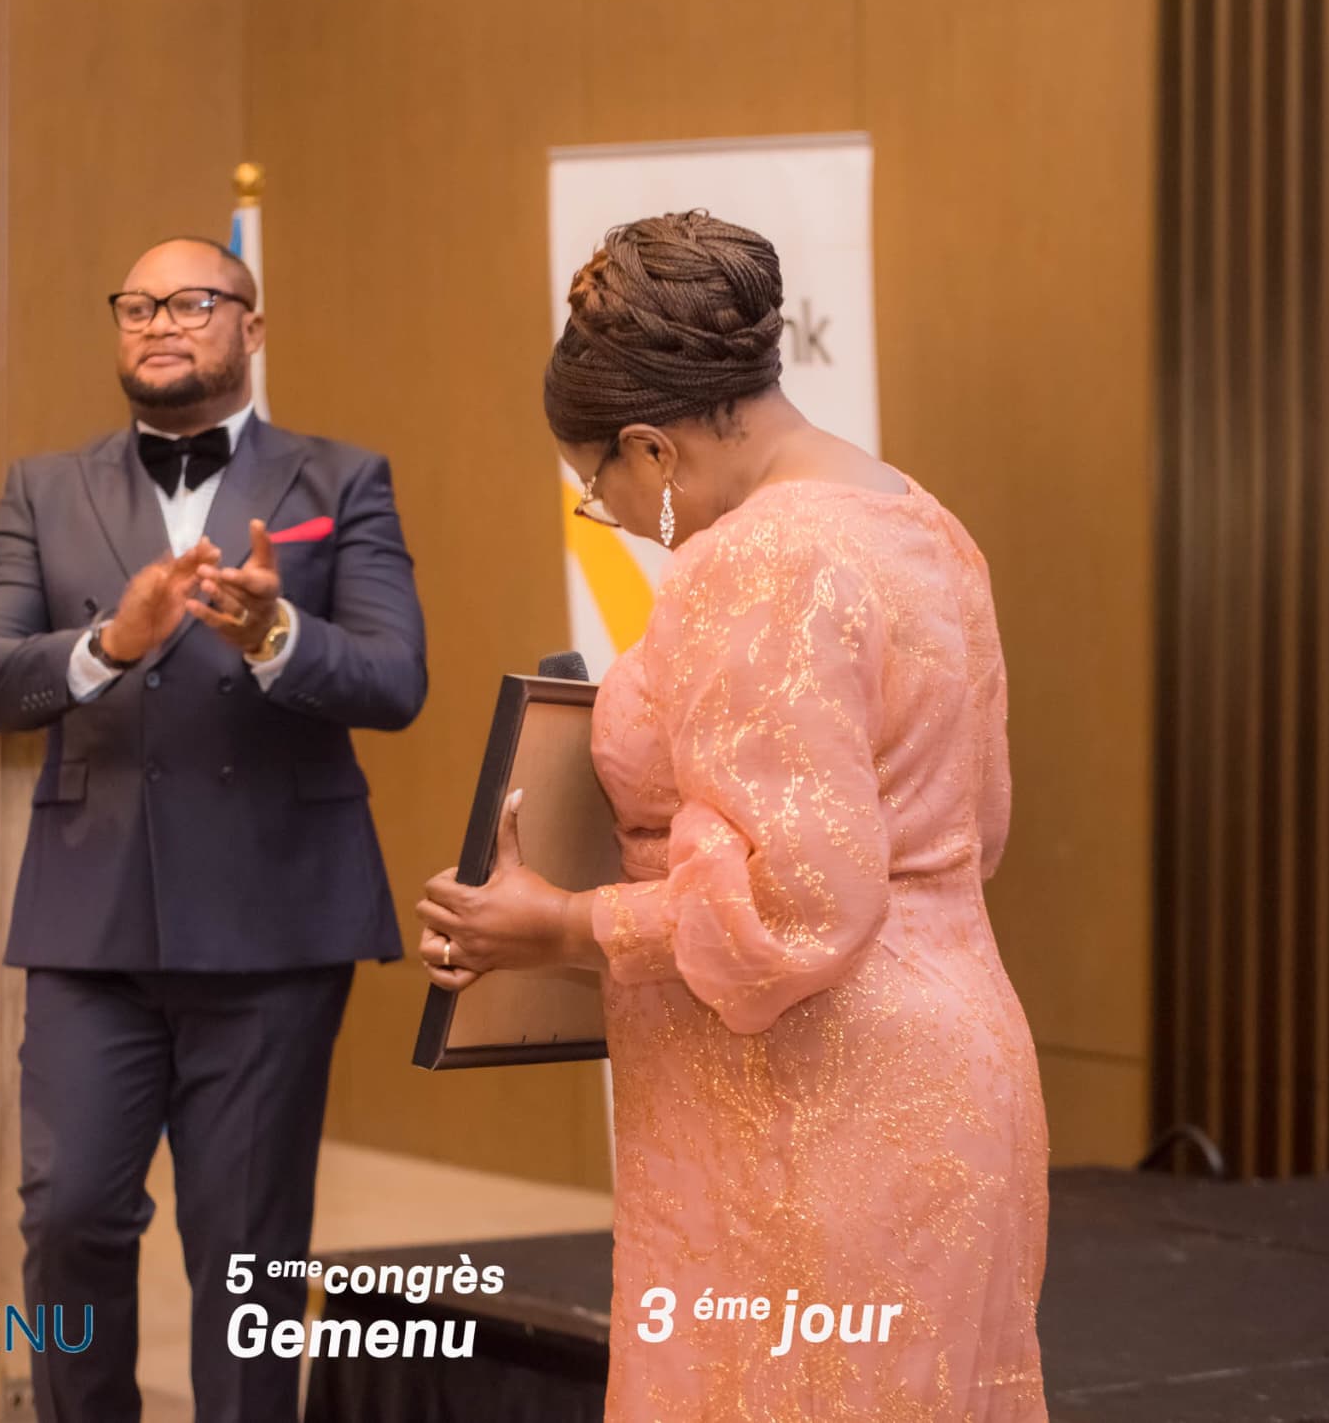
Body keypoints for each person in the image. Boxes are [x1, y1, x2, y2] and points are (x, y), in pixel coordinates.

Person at [417, 213, 1049, 1422]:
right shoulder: (920, 521)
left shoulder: (750, 561)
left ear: (650, 448)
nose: (611, 513)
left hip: (811, 1103)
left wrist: (559, 923)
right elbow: (980, 820)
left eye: (598, 486)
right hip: (951, 1061)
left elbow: (790, 905)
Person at [0, 237, 426, 1422]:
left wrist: (273, 634)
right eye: (137, 305)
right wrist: (108, 644)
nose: (159, 321)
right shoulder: (42, 489)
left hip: (273, 923)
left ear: (250, 327)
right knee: (67, 1215)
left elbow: (394, 677)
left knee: (248, 1250)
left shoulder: (340, 479)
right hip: (90, 922)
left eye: (193, 301)